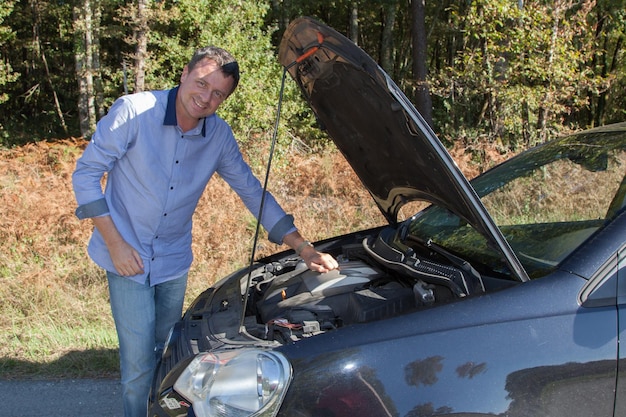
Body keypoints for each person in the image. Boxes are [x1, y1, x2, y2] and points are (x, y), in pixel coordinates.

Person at [72, 46, 338, 417]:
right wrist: (114, 244)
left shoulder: (218, 136)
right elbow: (85, 175)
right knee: (137, 366)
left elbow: (250, 190)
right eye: (201, 83)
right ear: (184, 74)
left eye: (218, 94)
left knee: (168, 352)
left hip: (174, 259)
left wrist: (302, 247)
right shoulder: (134, 112)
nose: (206, 98)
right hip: (125, 256)